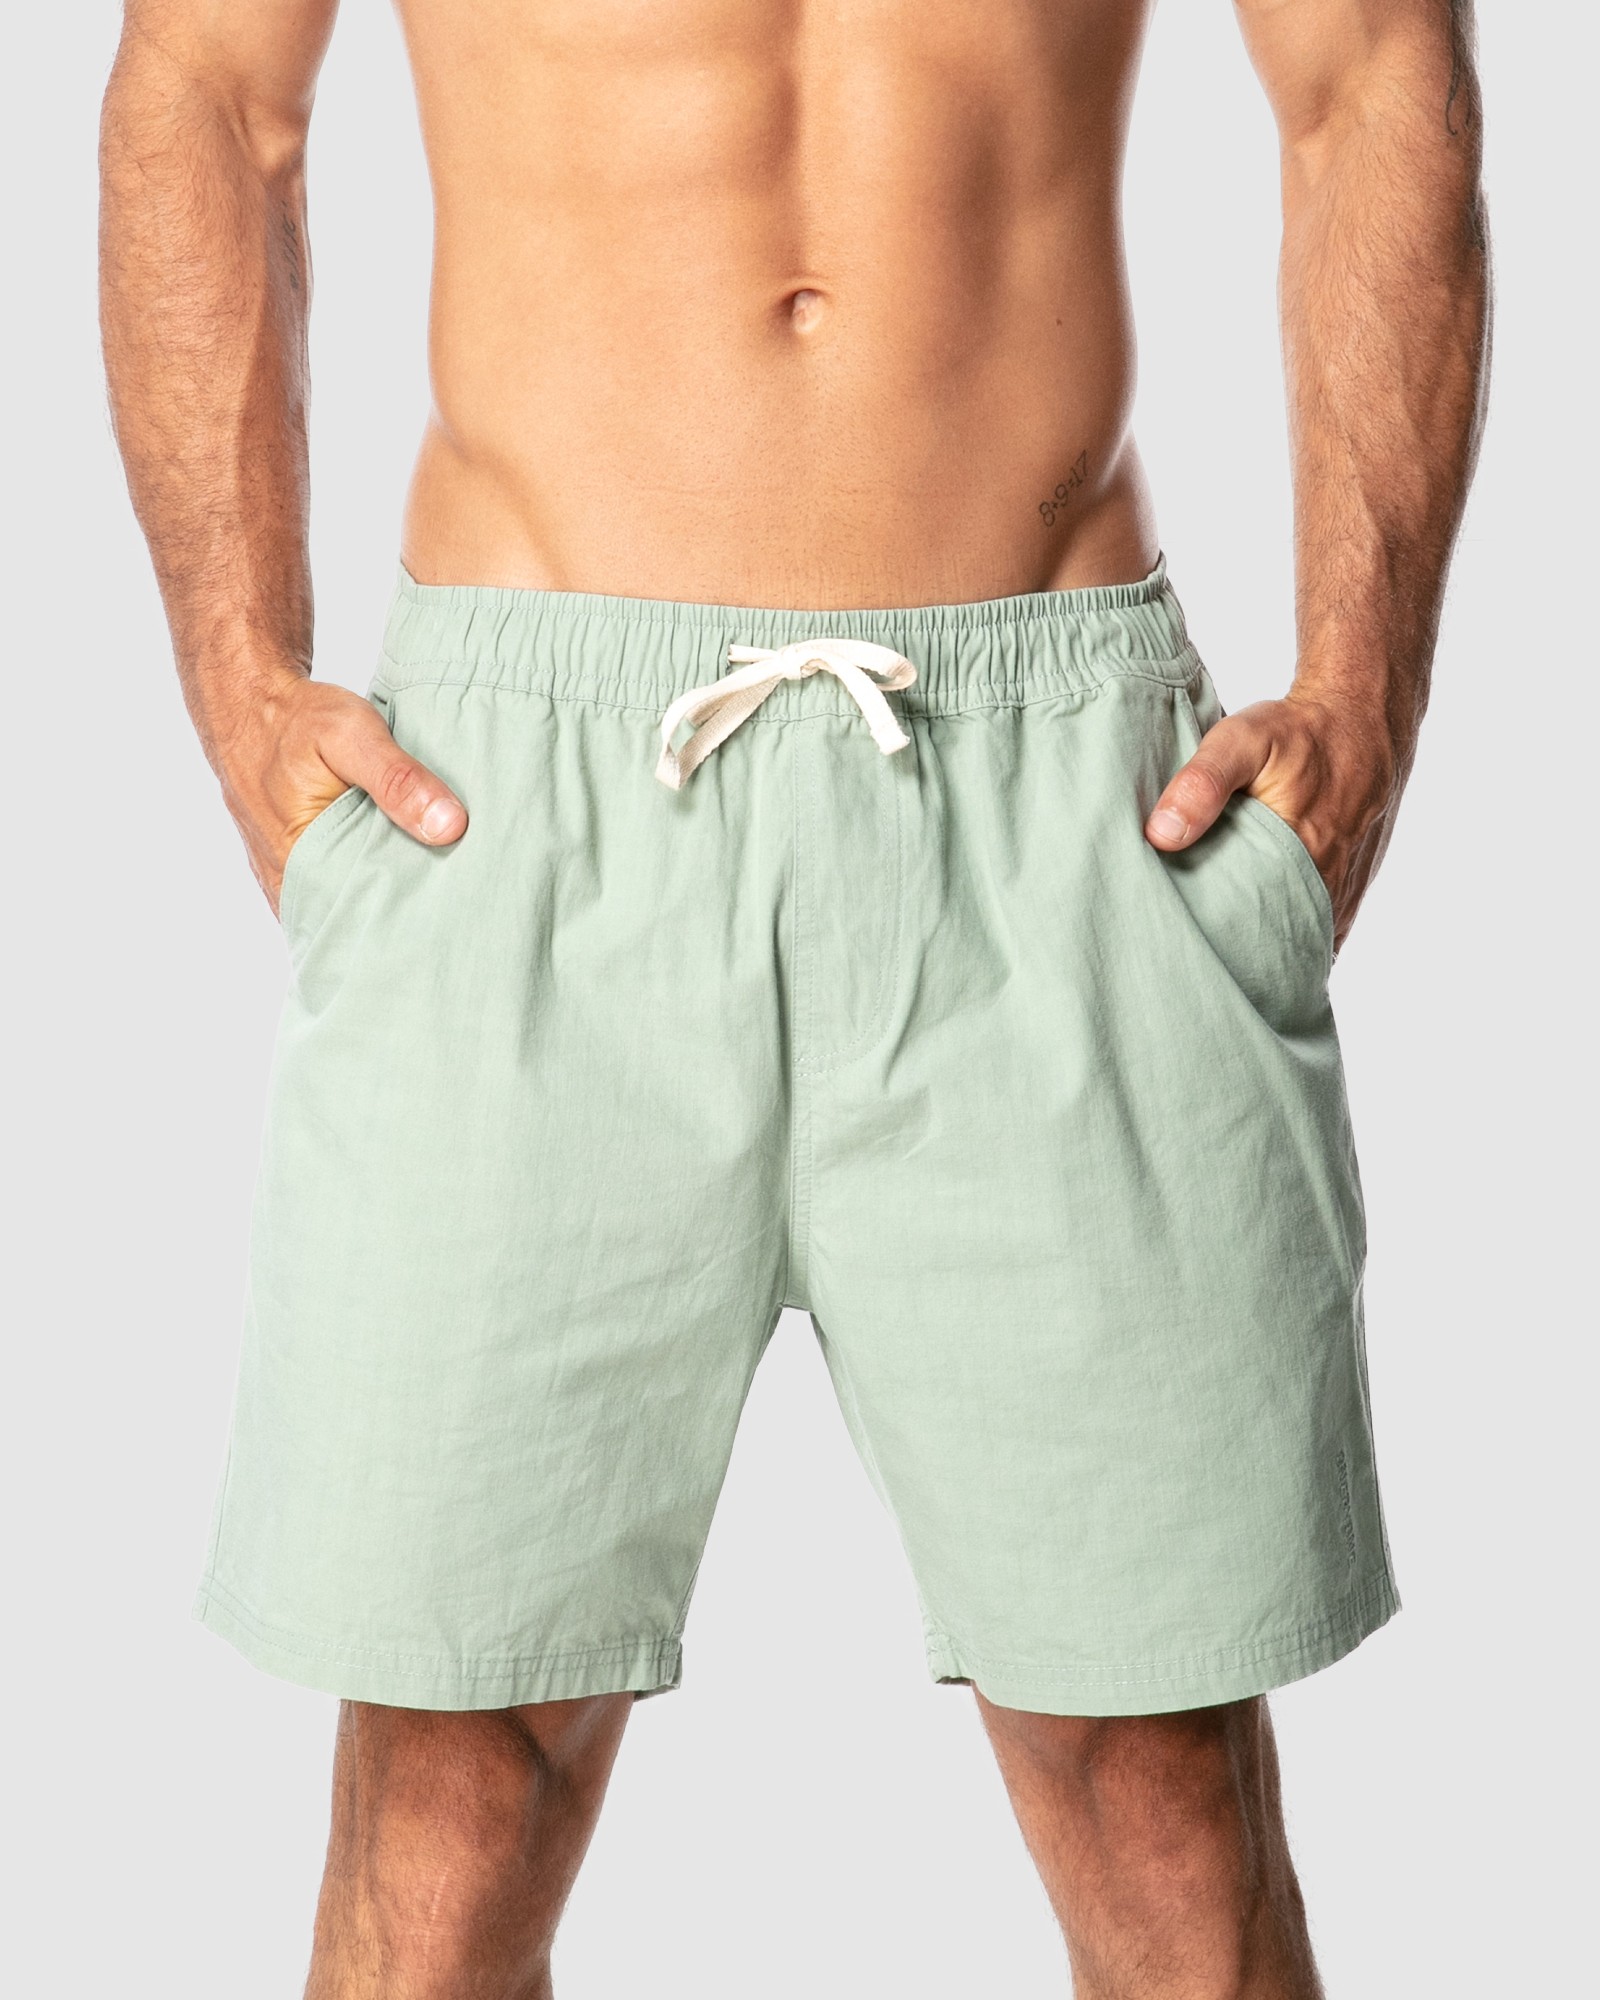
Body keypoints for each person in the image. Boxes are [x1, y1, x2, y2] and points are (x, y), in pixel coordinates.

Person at [100, 0, 1487, 1991]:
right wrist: (243, 684)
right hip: (516, 799)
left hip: (1058, 794)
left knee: (1159, 1808)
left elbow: (1369, 72)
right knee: (449, 1809)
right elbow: (209, 92)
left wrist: (1364, 691)